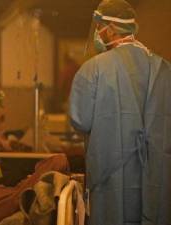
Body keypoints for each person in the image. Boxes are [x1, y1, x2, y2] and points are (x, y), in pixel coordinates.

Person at [69, 0, 171, 224]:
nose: (97, 33)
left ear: (111, 29)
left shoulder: (94, 68)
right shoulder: (164, 69)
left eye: (100, 27)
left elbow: (80, 119)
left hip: (113, 177)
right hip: (157, 175)